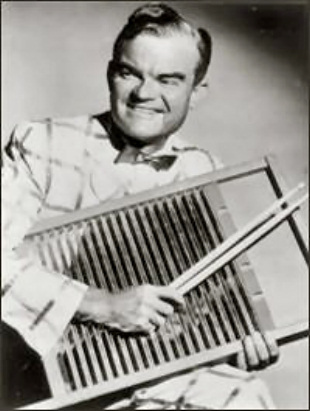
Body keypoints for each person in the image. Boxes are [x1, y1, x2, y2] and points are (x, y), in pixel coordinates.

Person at [2, 2, 279, 409]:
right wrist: (102, 305)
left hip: (152, 383)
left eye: (168, 80)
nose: (145, 93)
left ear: (196, 92)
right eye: (130, 73)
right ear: (110, 73)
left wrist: (236, 347)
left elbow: (199, 315)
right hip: (38, 382)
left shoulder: (202, 171)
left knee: (244, 395)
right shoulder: (41, 145)